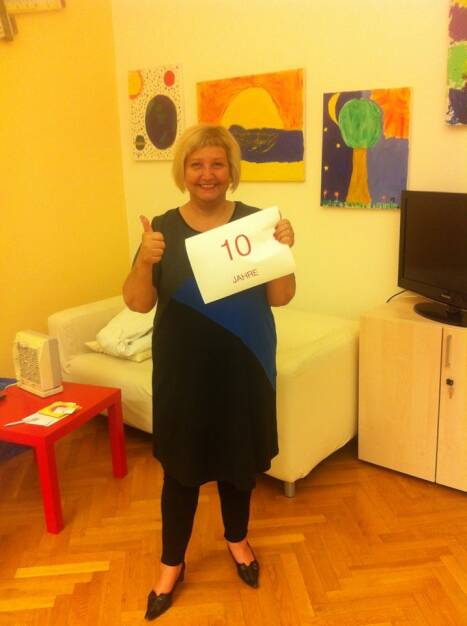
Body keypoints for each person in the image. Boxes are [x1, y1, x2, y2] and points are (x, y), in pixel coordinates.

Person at [123, 123, 295, 620]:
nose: (207, 174)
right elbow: (137, 304)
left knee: (239, 466)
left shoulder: (256, 224)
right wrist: (144, 262)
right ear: (183, 171)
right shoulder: (160, 229)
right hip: (184, 375)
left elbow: (282, 296)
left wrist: (284, 249)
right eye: (197, 164)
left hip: (245, 367)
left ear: (231, 171)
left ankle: (237, 540)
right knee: (180, 471)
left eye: (217, 164)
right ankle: (171, 563)